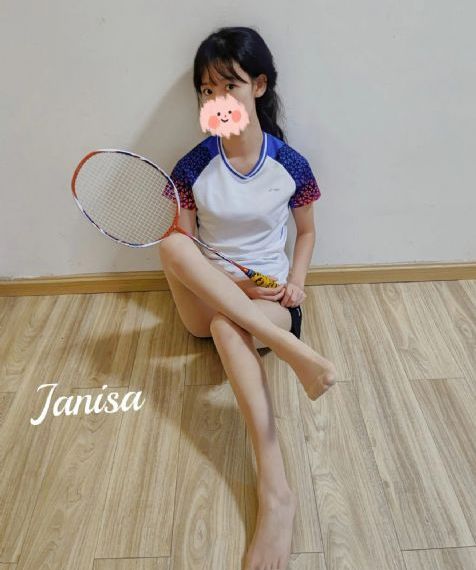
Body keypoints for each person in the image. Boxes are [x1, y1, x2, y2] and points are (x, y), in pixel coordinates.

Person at [158, 26, 337, 570]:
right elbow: (187, 252)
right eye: (207, 90)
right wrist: (232, 285)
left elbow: (306, 233)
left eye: (229, 85)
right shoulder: (191, 167)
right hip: (206, 299)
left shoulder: (290, 164)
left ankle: (276, 493)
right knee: (172, 243)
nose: (218, 99)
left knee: (226, 328)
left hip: (269, 304)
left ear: (259, 86)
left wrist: (297, 282)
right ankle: (297, 355)